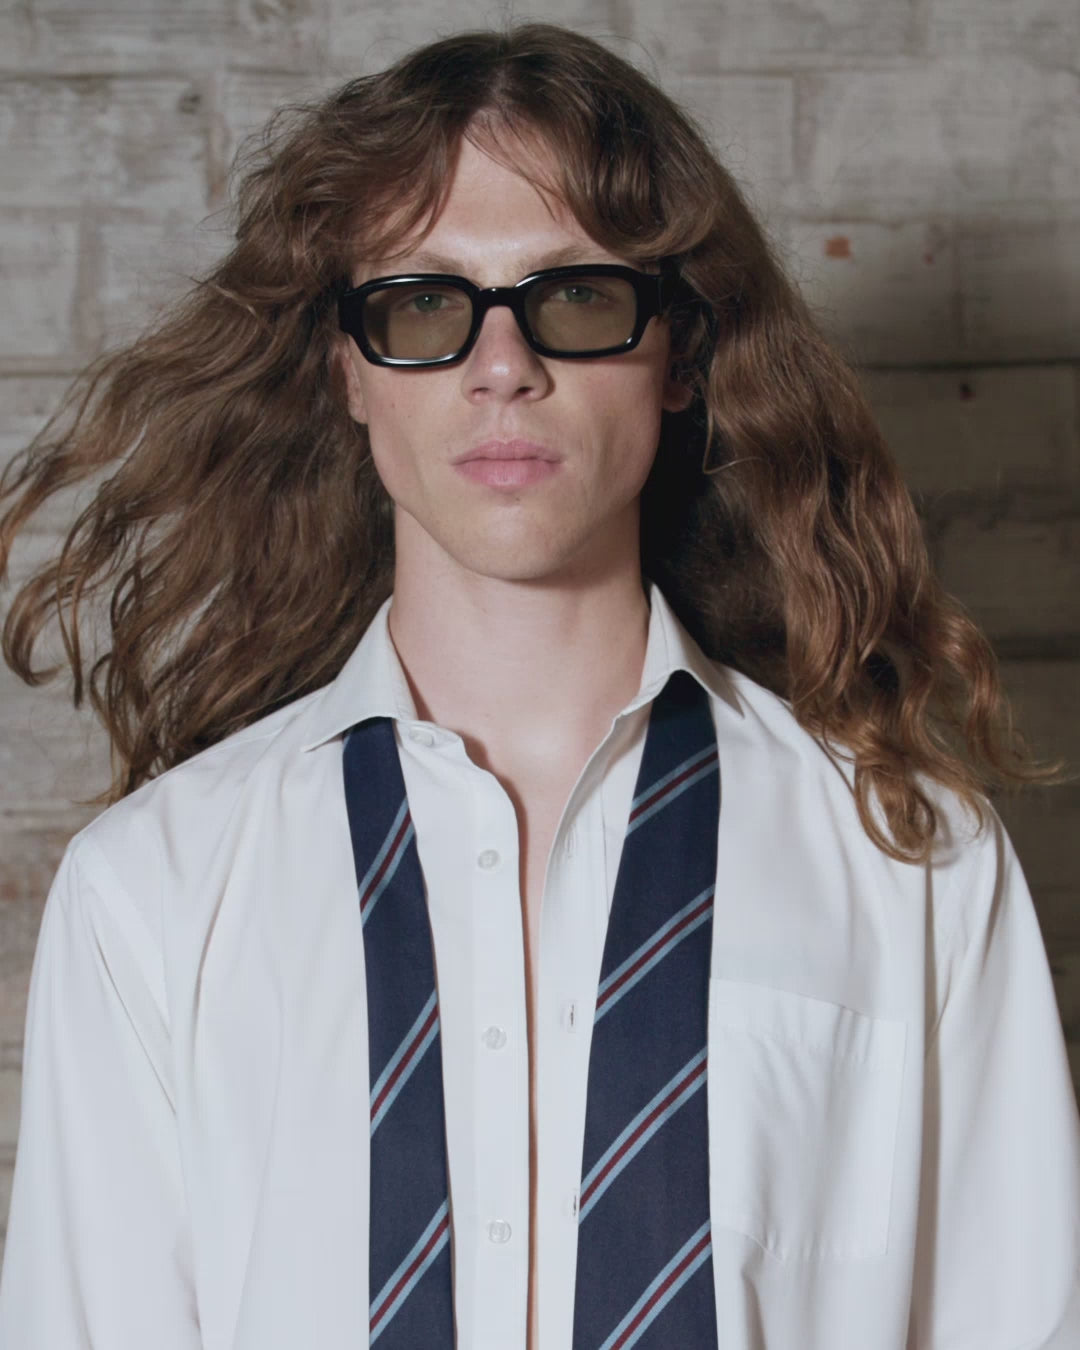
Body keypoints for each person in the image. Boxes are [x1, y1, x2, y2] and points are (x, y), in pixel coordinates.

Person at [0, 20, 1078, 1350]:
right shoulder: (153, 895)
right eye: (423, 304)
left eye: (573, 295)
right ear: (346, 369)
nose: (501, 366)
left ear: (681, 355)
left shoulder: (912, 864)